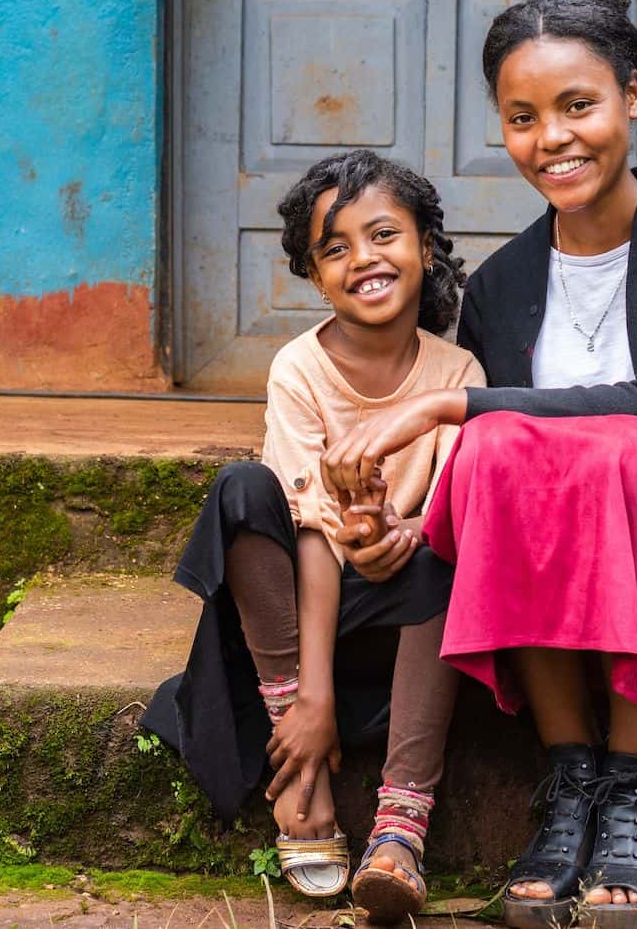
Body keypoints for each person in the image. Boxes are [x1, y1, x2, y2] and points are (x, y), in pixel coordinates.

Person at [317, 0, 637, 929]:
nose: (552, 140)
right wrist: (404, 533)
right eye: (521, 117)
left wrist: (444, 409)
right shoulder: (501, 288)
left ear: (632, 95)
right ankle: (571, 773)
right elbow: (506, 493)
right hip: (559, 623)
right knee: (503, 448)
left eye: (578, 104)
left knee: (617, 443)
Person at [141, 149, 485, 923]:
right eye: (336, 248)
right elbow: (309, 536)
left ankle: (401, 823)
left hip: (410, 622)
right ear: (314, 273)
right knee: (242, 488)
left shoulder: (457, 372)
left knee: (450, 554)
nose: (364, 258)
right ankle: (302, 761)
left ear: (425, 247)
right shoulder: (300, 368)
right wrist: (313, 701)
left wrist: (406, 534)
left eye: (384, 235)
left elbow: (457, 508)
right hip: (297, 619)